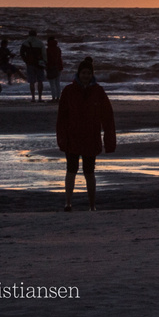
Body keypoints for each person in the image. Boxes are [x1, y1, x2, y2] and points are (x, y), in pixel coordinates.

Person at [57, 58, 116, 211]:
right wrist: (61, 137)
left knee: (89, 172)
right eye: (83, 73)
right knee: (71, 170)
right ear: (79, 73)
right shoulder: (68, 91)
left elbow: (107, 117)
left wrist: (109, 140)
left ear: (92, 74)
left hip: (91, 137)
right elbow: (62, 117)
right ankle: (68, 202)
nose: (86, 76)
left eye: (88, 73)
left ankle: (92, 205)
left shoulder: (98, 91)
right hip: (73, 137)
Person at [20, 29, 47, 102]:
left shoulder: (25, 43)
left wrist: (26, 61)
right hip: (39, 64)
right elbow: (44, 54)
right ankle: (40, 98)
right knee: (40, 81)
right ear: (36, 35)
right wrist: (45, 62)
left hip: (30, 64)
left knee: (31, 81)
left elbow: (22, 54)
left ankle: (33, 98)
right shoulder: (40, 43)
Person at [45, 35, 64, 102]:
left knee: (52, 84)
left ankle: (53, 97)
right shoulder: (58, 49)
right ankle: (58, 97)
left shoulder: (48, 50)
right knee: (57, 83)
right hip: (59, 67)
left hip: (51, 68)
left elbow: (47, 59)